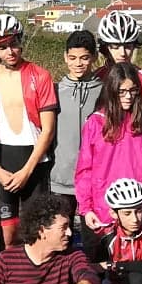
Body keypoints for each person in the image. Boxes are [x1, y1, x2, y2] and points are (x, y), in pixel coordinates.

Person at [0, 14, 58, 247]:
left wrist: (26, 171)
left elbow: (48, 130)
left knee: (38, 236)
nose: (10, 51)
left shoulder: (40, 76)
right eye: (2, 47)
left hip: (35, 162)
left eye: (13, 43)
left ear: (21, 41)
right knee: (8, 238)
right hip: (3, 160)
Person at [74, 63, 142, 233]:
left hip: (141, 211)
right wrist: (86, 208)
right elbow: (85, 170)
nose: (128, 96)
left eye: (133, 90)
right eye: (122, 91)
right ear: (111, 91)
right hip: (104, 211)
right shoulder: (95, 123)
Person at [49, 31, 103, 221]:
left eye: (84, 58)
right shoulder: (54, 90)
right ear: (65, 56)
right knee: (62, 231)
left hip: (95, 180)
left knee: (94, 233)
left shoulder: (105, 91)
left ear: (94, 57)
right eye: (72, 58)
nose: (78, 63)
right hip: (61, 180)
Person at [93, 10, 142, 104]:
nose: (122, 53)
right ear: (105, 47)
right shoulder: (97, 78)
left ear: (134, 46)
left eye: (128, 47)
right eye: (116, 47)